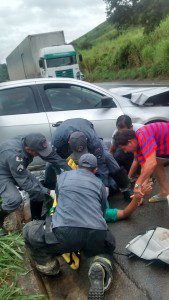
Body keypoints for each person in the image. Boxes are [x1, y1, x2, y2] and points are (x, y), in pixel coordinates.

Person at [23, 154, 115, 299]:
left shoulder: (64, 176)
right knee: (106, 246)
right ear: (95, 169)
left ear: (77, 165)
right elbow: (102, 213)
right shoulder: (100, 185)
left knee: (29, 230)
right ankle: (100, 265)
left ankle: (50, 267)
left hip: (65, 234)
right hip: (96, 233)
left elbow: (59, 202)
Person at [45, 118, 132, 200]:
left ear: (86, 141)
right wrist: (60, 176)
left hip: (86, 127)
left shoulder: (93, 140)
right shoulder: (57, 141)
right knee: (49, 165)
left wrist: (105, 185)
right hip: (63, 140)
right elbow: (54, 160)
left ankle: (125, 187)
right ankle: (50, 193)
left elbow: (101, 162)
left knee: (107, 156)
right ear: (69, 142)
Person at [0, 133, 71, 235]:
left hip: (17, 169)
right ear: (29, 149)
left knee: (37, 191)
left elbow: (52, 157)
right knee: (14, 200)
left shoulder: (32, 141)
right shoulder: (16, 155)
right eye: (39, 152)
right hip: (3, 173)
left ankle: (35, 221)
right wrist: (49, 191)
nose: (41, 154)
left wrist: (70, 170)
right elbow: (25, 183)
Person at [114, 122, 169, 202]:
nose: (125, 152)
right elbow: (145, 169)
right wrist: (140, 193)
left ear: (130, 142)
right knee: (157, 164)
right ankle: (165, 192)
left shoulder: (143, 135)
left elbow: (151, 163)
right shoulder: (138, 147)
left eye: (124, 148)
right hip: (165, 146)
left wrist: (138, 184)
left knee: (154, 163)